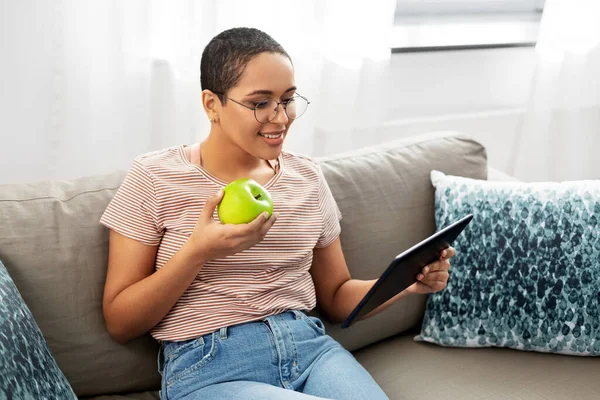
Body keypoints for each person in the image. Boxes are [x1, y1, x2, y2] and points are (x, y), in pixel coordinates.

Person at [99, 27, 456, 400]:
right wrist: (199, 251)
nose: (281, 118)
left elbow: (335, 296)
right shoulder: (155, 176)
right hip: (211, 368)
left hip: (312, 351)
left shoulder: (307, 177)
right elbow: (120, 322)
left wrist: (406, 282)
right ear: (211, 105)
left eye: (287, 99)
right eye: (260, 103)